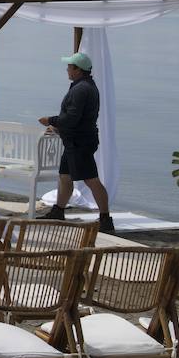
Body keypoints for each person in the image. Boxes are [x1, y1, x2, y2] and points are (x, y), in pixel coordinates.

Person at [37, 51, 114, 234]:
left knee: (91, 180)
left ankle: (105, 219)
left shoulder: (81, 89)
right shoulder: (84, 86)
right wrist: (59, 128)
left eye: (70, 67)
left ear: (78, 70)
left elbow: (72, 117)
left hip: (80, 143)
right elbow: (76, 119)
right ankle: (58, 211)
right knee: (65, 177)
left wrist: (51, 120)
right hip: (73, 141)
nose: (67, 70)